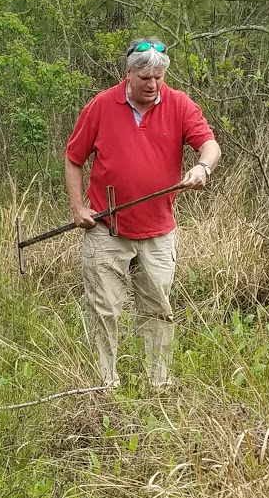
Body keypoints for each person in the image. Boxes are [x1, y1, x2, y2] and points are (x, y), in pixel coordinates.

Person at [64, 37, 221, 388]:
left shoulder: (180, 105)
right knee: (105, 310)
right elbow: (74, 158)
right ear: (129, 73)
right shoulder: (102, 105)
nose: (152, 85)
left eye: (158, 78)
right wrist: (78, 207)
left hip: (158, 230)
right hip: (107, 228)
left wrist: (203, 168)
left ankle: (159, 385)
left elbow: (209, 145)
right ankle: (105, 385)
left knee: (158, 310)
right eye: (145, 77)